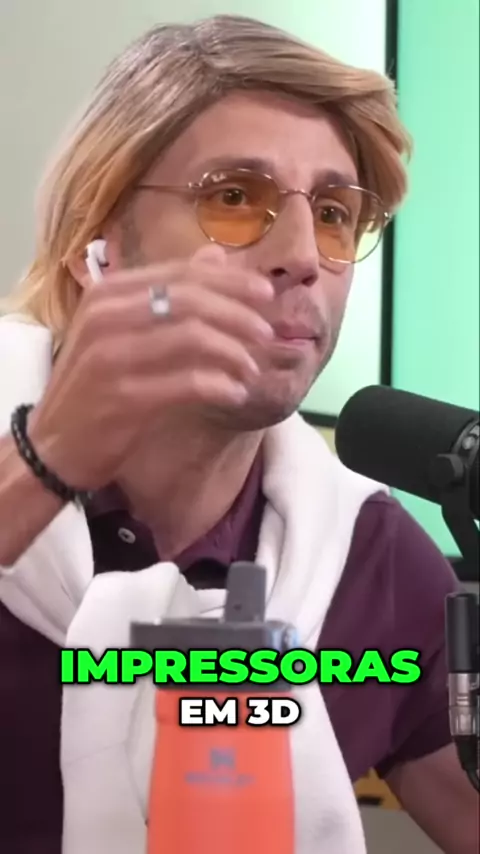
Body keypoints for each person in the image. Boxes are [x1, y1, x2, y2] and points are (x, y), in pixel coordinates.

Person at [0, 14, 477, 854]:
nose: (302, 255)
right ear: (94, 245)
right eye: (232, 198)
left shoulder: (371, 558)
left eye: (333, 213)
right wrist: (44, 463)